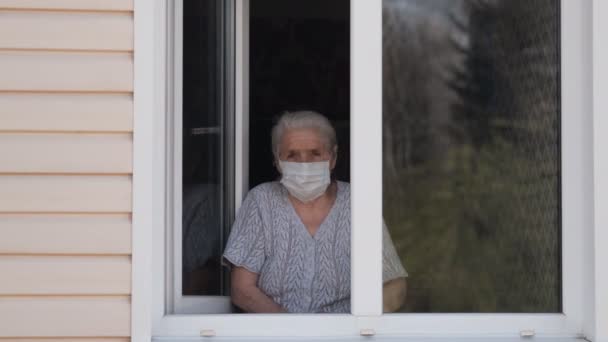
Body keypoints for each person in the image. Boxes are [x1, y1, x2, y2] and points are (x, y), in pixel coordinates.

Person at [223, 110, 407, 313]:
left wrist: (348, 330)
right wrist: (294, 332)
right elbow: (242, 289)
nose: (304, 164)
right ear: (277, 161)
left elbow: (394, 286)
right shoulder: (261, 201)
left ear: (333, 158)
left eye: (315, 154)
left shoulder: (358, 203)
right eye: (292, 155)